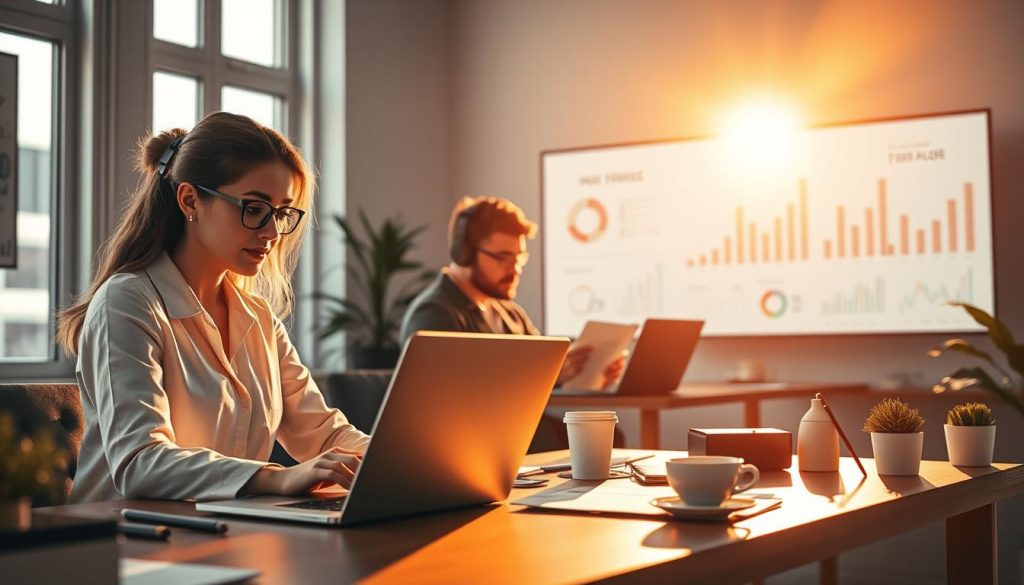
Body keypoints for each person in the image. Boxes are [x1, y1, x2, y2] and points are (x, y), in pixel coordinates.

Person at [57, 112, 367, 503]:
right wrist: (275, 478)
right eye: (254, 208)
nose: (272, 232)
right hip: (125, 543)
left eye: (282, 213)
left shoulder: (258, 318)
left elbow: (322, 432)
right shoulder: (127, 302)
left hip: (224, 535)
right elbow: (139, 462)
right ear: (190, 200)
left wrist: (402, 460)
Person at [400, 196, 625, 389]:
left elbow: (545, 374)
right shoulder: (433, 315)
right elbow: (454, 396)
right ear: (464, 253)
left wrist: (585, 375)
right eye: (503, 257)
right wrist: (547, 377)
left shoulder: (512, 316)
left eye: (519, 258)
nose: (515, 269)